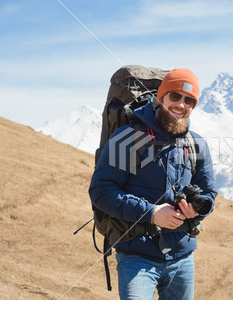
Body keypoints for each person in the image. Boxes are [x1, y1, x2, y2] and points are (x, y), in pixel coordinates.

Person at [89, 68, 217, 300]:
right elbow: (101, 192)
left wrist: (197, 210)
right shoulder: (128, 138)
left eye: (189, 100)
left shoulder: (195, 144)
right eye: (175, 96)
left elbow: (209, 192)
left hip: (182, 256)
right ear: (161, 97)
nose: (181, 104)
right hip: (136, 256)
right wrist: (152, 213)